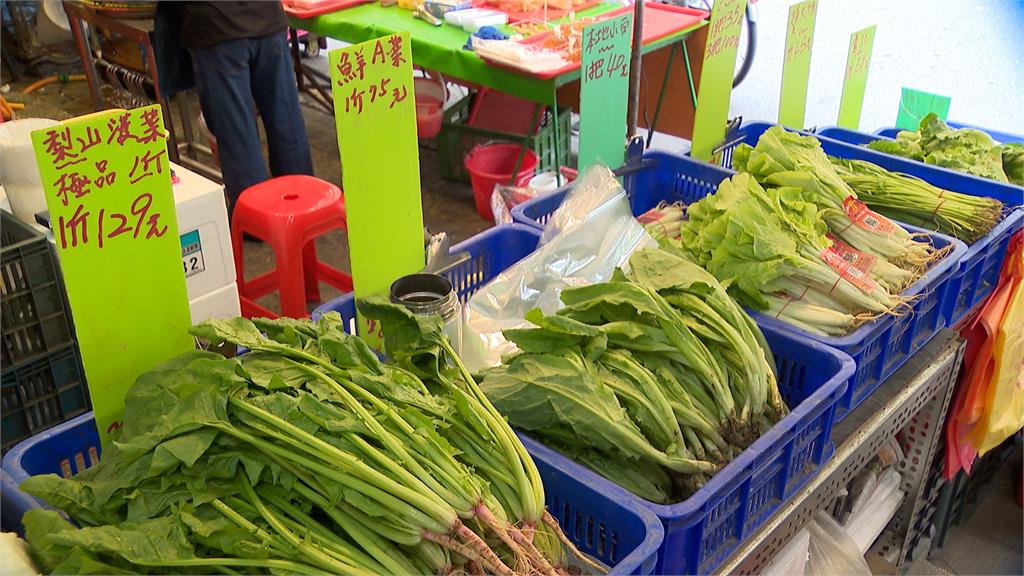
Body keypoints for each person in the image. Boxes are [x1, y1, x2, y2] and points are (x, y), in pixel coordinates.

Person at [158, 1, 314, 211]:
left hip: (218, 28)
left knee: (236, 131)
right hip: (266, 20)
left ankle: (254, 217)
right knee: (285, 118)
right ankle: (303, 199)